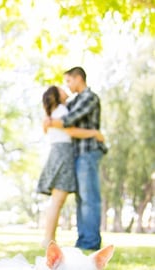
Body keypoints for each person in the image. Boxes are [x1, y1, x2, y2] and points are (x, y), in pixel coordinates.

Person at [44, 67, 107, 250]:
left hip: (88, 152)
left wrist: (50, 122)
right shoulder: (74, 101)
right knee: (82, 199)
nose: (68, 86)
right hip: (78, 154)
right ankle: (83, 240)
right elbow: (58, 113)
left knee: (89, 198)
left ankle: (90, 242)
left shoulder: (89, 97)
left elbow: (68, 121)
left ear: (78, 78)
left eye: (69, 81)